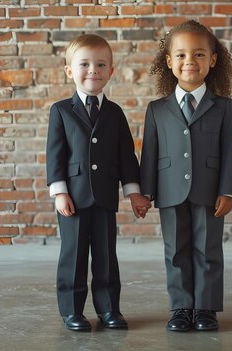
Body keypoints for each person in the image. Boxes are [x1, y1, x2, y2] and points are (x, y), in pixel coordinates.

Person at [140, 20, 232, 332]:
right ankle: (182, 308)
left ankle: (206, 308)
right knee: (175, 251)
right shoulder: (157, 109)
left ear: (213, 60)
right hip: (169, 191)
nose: (190, 62)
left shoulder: (223, 107)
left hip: (210, 191)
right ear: (169, 62)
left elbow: (228, 149)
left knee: (209, 249)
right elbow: (150, 154)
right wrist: (145, 192)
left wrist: (229, 190)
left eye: (199, 55)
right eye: (182, 55)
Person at [46, 34, 151, 332]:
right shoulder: (61, 111)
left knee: (106, 257)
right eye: (84, 64)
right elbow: (55, 155)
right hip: (74, 199)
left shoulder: (115, 113)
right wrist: (59, 192)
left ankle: (108, 310)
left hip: (105, 197)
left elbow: (126, 157)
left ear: (111, 71)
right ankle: (71, 311)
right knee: (74, 255)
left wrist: (133, 193)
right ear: (69, 71)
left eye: (101, 64)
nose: (93, 70)